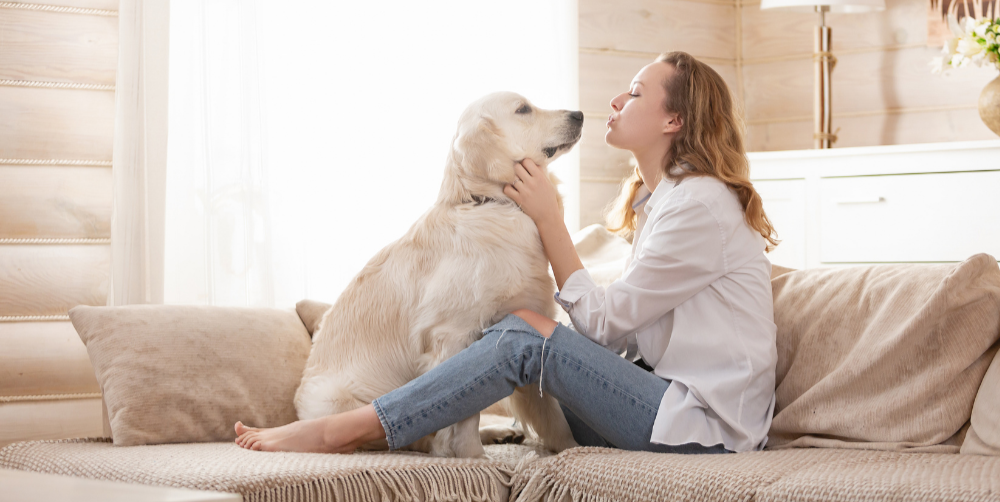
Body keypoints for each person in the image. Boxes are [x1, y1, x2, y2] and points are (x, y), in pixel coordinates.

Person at [234, 51, 779, 455]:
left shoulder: (700, 205)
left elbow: (605, 327)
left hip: (704, 431)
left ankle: (343, 429)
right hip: (661, 408)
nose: (615, 101)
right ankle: (398, 425)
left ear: (673, 121)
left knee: (522, 331)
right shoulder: (663, 203)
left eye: (635, 93)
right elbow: (628, 334)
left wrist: (549, 221)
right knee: (514, 332)